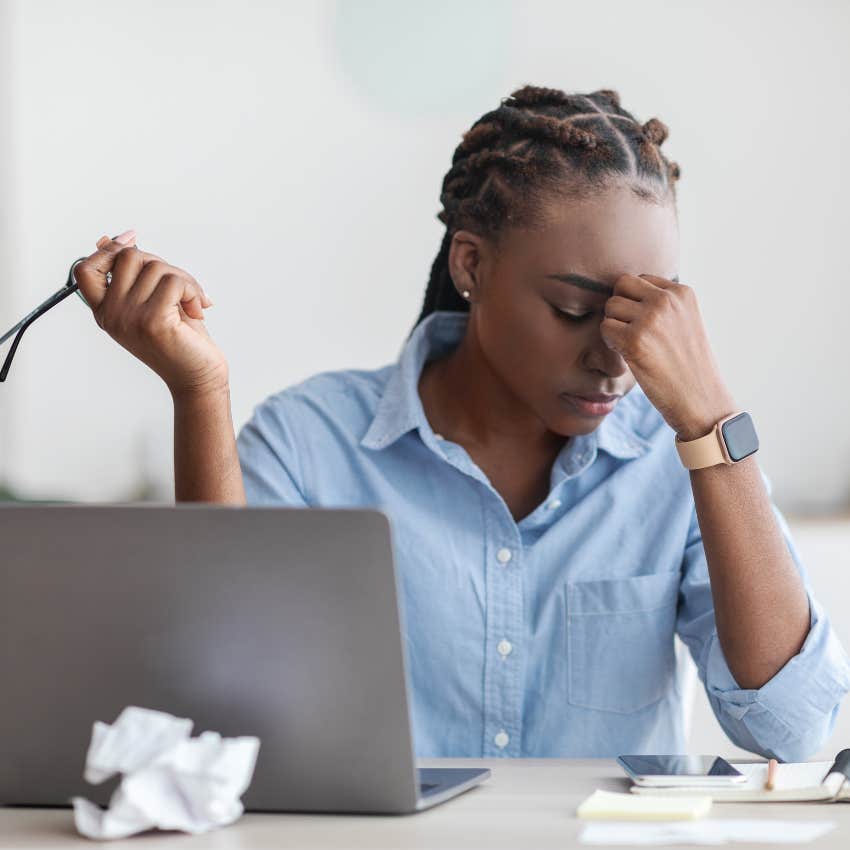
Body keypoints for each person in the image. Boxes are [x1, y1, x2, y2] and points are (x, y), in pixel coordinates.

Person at [73, 85, 850, 761]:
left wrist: (712, 419)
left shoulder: (676, 460)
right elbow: (213, 706)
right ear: (471, 265)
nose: (616, 360)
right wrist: (199, 391)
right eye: (577, 310)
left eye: (644, 318)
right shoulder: (312, 443)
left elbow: (791, 727)